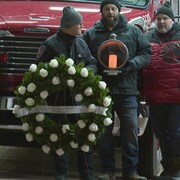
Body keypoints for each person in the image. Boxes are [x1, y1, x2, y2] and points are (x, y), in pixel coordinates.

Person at [83, 0, 151, 179]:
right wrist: (93, 70)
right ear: (102, 11)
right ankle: (108, 171)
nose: (110, 12)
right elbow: (84, 57)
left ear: (119, 11)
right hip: (101, 91)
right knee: (103, 134)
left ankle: (130, 172)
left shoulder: (134, 31)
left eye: (113, 9)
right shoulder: (91, 34)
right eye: (107, 9)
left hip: (128, 91)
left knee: (130, 133)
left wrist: (131, 64)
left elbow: (146, 52)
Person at [36, 5, 97, 180]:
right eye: (79, 24)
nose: (82, 27)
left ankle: (87, 174)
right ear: (70, 25)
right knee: (59, 135)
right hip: (57, 100)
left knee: (84, 135)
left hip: (78, 101)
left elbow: (91, 62)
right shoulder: (49, 45)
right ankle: (61, 174)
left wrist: (87, 73)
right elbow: (39, 71)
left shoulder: (81, 42)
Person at [142, 1, 180, 179]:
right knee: (161, 135)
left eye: (165, 18)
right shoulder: (148, 38)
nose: (161, 22)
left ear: (172, 20)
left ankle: (176, 169)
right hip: (155, 97)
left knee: (175, 135)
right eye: (158, 19)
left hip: (176, 97)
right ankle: (169, 169)